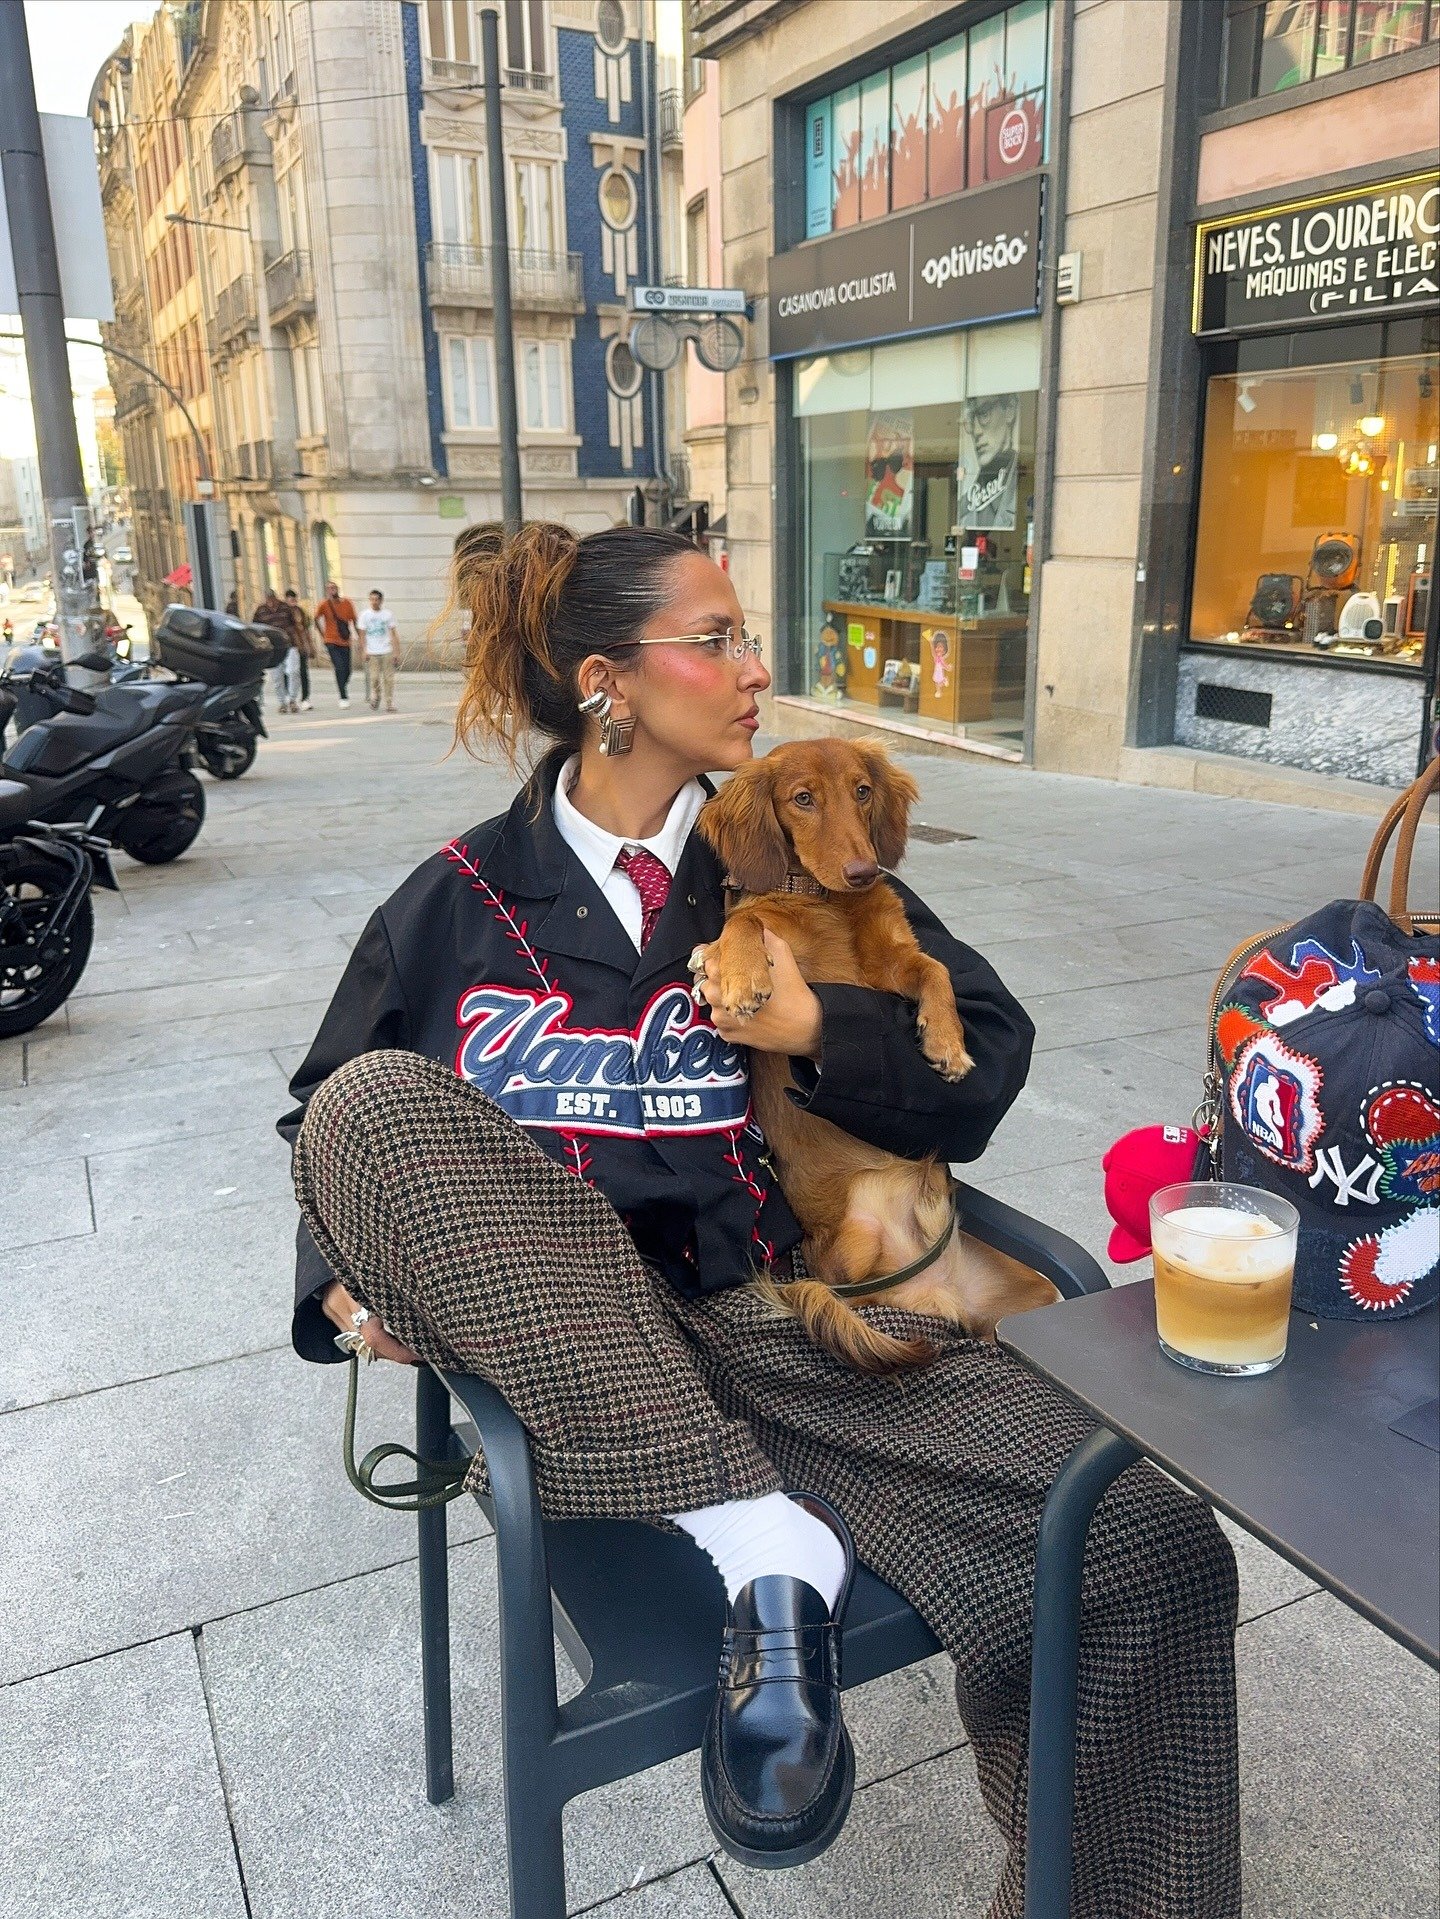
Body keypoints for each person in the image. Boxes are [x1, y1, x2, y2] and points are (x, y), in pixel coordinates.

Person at [279, 524, 1240, 1917]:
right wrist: (338, 1282)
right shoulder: (460, 900)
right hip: (576, 1353)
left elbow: (988, 1052)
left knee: (1151, 1539)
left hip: (797, 1315)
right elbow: (326, 1113)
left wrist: (822, 1023)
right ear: (611, 680)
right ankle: (761, 1533)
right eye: (716, 636)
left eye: (746, 634)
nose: (754, 666)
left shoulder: (789, 851)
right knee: (374, 1104)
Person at [255, 586, 302, 713]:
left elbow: (295, 626)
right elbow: (255, 628)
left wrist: (300, 643)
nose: (270, 601)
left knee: (293, 671)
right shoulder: (260, 610)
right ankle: (282, 702)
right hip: (272, 647)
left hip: (289, 644)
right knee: (277, 676)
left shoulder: (285, 608)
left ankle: (292, 699)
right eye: (268, 599)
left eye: (272, 598)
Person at [313, 579, 358, 707]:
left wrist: (358, 636)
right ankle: (343, 696)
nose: (332, 590)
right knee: (339, 667)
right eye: (330, 588)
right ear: (327, 591)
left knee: (347, 670)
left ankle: (342, 685)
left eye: (334, 588)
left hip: (345, 641)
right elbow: (315, 618)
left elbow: (354, 620)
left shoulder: (347, 603)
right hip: (331, 641)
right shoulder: (324, 604)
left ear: (338, 589)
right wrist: (323, 635)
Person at [356, 588, 397, 712]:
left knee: (388, 678)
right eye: (372, 599)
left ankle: (389, 702)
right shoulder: (365, 615)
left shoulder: (388, 614)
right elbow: (362, 634)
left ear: (381, 600)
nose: (374, 602)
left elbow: (394, 633)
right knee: (374, 678)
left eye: (376, 599)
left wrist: (396, 652)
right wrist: (364, 650)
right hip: (372, 651)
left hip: (386, 650)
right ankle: (377, 696)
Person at [285, 588, 313, 710]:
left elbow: (305, 630)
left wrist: (310, 645)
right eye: (290, 599)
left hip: (300, 645)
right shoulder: (284, 613)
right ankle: (290, 697)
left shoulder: (301, 612)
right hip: (288, 646)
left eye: (294, 599)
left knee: (303, 672)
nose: (293, 601)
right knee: (288, 672)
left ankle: (305, 698)